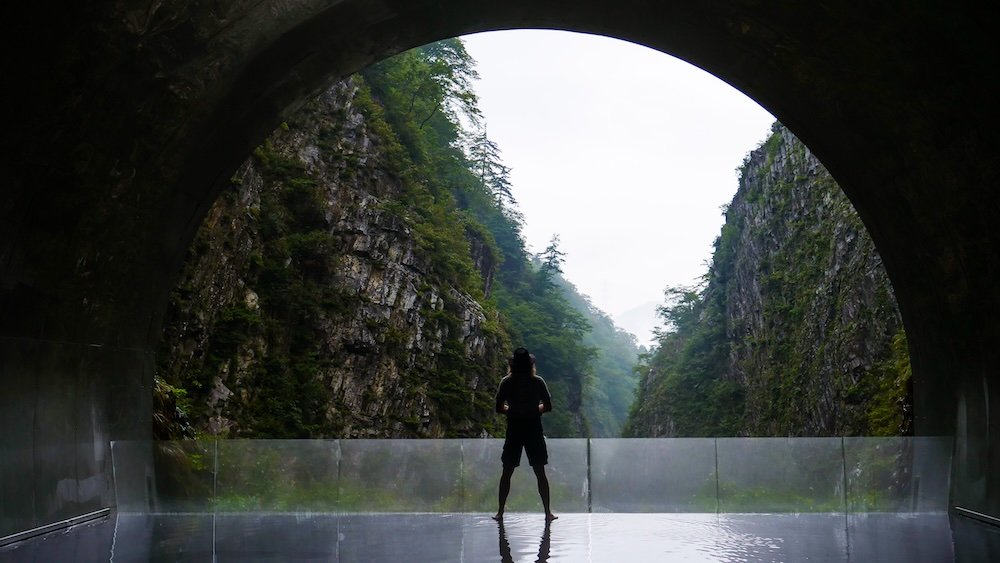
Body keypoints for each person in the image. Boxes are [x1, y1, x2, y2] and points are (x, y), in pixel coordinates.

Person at [492, 347, 557, 521]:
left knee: (507, 471)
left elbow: (499, 408)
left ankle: (500, 512)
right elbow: (548, 406)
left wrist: (513, 410)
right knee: (540, 471)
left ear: (512, 365)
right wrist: (533, 409)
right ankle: (547, 512)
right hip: (534, 428)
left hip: (514, 428)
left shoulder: (506, 382)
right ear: (531, 365)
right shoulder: (538, 382)